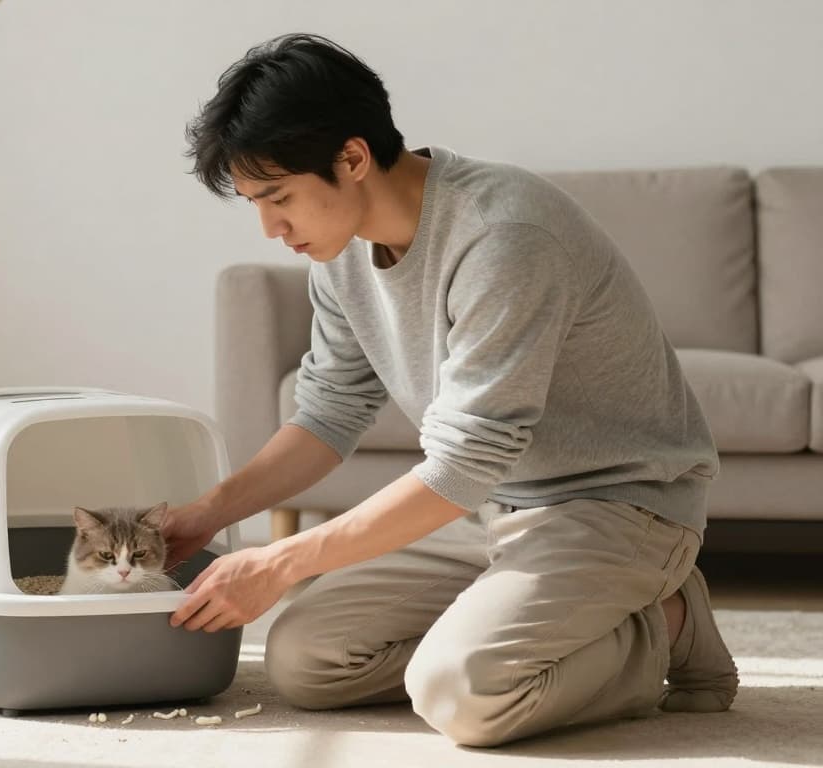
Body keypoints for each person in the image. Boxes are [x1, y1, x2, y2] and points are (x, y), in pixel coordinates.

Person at [164, 33, 738, 747]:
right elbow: (329, 414)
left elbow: (465, 462)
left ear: (352, 157)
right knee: (305, 661)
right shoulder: (339, 257)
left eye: (277, 197)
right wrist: (206, 514)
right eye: (254, 202)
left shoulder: (505, 235)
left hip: (617, 506)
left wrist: (281, 560)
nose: (271, 228)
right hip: (487, 512)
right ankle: (518, 619)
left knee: (463, 695)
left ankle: (668, 624)